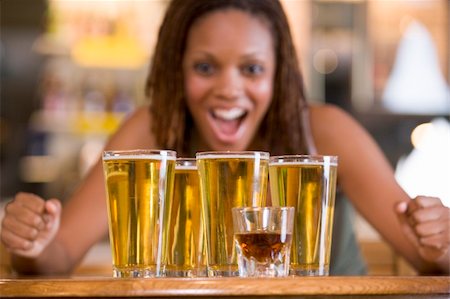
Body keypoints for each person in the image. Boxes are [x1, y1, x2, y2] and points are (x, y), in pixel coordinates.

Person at [1, 0, 448, 275]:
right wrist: (33, 245)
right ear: (177, 69)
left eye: (251, 69)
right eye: (205, 67)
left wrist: (441, 239)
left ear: (279, 75)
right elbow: (57, 257)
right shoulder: (151, 131)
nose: (229, 88)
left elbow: (428, 257)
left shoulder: (325, 131)